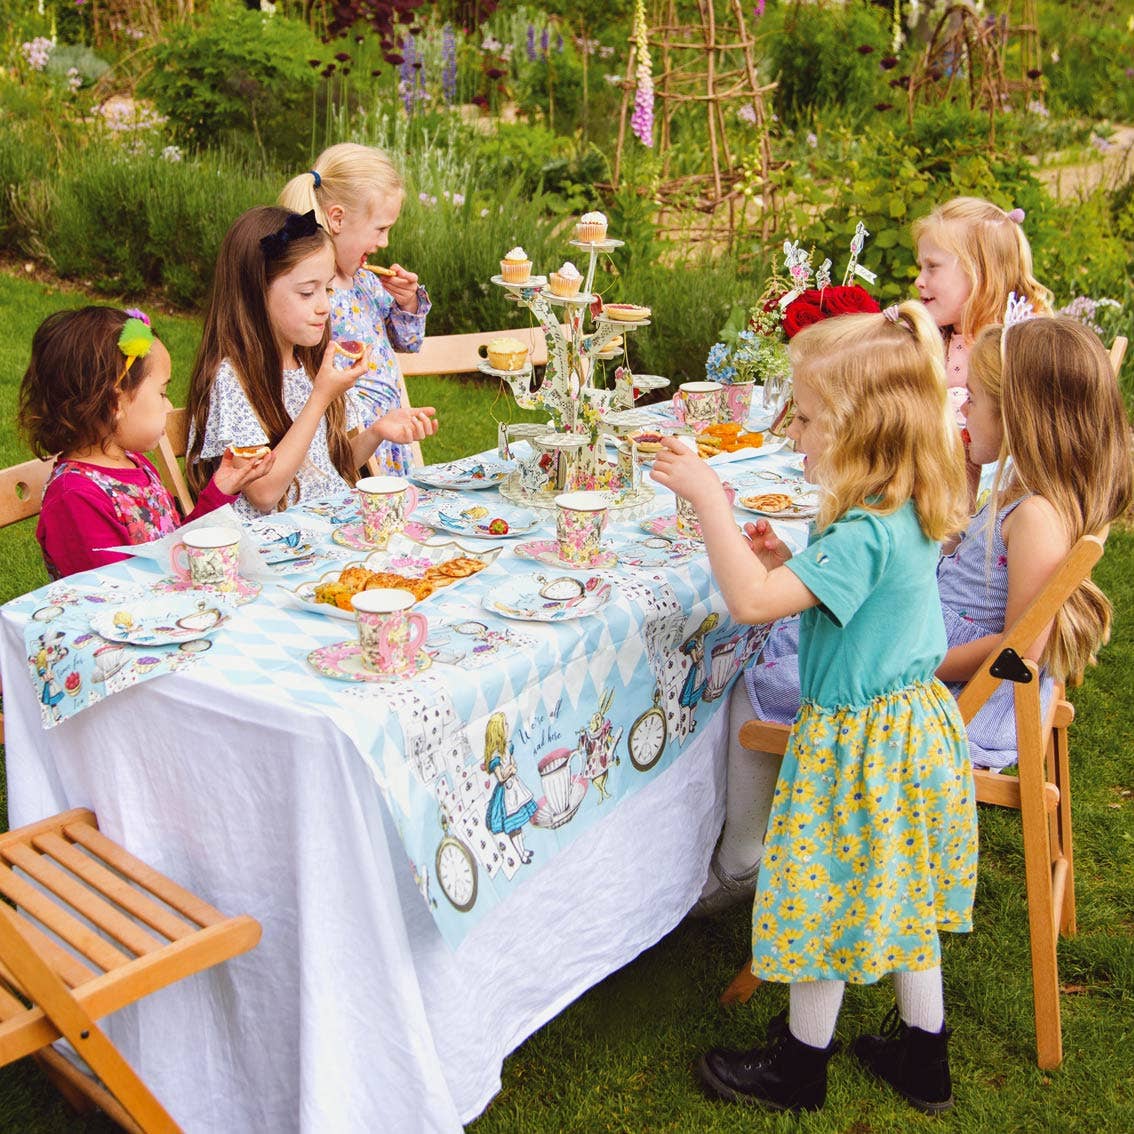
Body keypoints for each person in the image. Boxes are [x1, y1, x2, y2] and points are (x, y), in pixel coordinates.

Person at [696, 313, 1133, 921]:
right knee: (783, 634)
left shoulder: (1034, 515)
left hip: (959, 696)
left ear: (1020, 417)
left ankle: (741, 858)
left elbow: (1021, 650)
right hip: (942, 664)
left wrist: (922, 663)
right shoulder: (1029, 492)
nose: (961, 413)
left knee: (755, 679)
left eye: (974, 401)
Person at [651, 302, 976, 1114]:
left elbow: (753, 602)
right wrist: (794, 561)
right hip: (912, 731)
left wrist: (709, 502)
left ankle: (800, 1065)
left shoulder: (862, 533)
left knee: (824, 896)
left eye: (805, 416)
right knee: (904, 892)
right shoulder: (897, 510)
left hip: (861, 748)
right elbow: (843, 600)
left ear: (860, 428)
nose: (792, 430)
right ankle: (923, 1056)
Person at [185, 206, 436, 518]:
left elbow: (332, 465)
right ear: (255, 295)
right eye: (307, 293)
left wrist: (376, 432)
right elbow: (264, 494)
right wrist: (320, 397)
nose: (324, 306)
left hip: (330, 526)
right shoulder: (233, 378)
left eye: (327, 289)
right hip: (277, 545)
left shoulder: (308, 362)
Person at [18, 306, 273, 579]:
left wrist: (221, 488)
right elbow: (114, 592)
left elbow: (172, 551)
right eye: (162, 393)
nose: (169, 404)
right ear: (115, 402)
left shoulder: (134, 464)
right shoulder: (76, 497)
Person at [279, 143, 430, 477]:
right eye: (380, 229)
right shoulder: (315, 293)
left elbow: (407, 342)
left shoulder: (365, 281)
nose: (385, 242)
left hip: (389, 432)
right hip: (353, 440)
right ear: (337, 219)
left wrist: (406, 302)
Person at [912, 196, 1053, 426]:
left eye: (932, 267)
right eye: (921, 267)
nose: (919, 280)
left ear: (981, 274)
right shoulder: (929, 338)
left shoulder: (1017, 346)